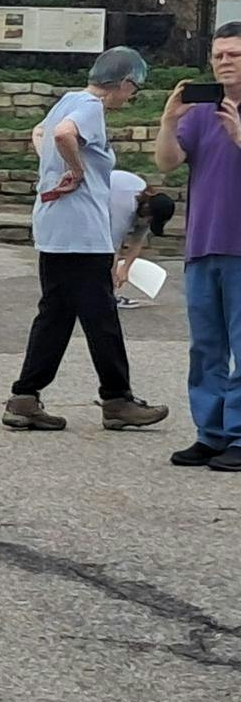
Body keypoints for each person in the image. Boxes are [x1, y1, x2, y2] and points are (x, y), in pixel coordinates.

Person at [3, 49, 168, 433]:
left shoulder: (67, 100)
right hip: (82, 233)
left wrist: (59, 167)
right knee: (101, 317)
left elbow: (42, 133)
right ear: (125, 83)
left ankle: (25, 397)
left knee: (56, 316)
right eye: (134, 90)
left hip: (55, 227)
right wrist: (76, 171)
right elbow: (62, 136)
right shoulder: (91, 107)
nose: (130, 97)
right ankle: (117, 399)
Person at [156, 23, 241, 468]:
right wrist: (170, 121)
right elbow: (168, 163)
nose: (224, 62)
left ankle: (240, 436)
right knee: (205, 346)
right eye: (218, 55)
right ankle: (211, 432)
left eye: (234, 55)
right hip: (203, 243)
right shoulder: (202, 111)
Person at [106, 169, 174, 308]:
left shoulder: (146, 208)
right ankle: (106, 297)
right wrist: (112, 278)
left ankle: (106, 293)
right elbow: (112, 247)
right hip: (98, 196)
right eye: (149, 220)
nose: (148, 223)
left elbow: (137, 242)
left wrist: (125, 269)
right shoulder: (125, 207)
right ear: (147, 208)